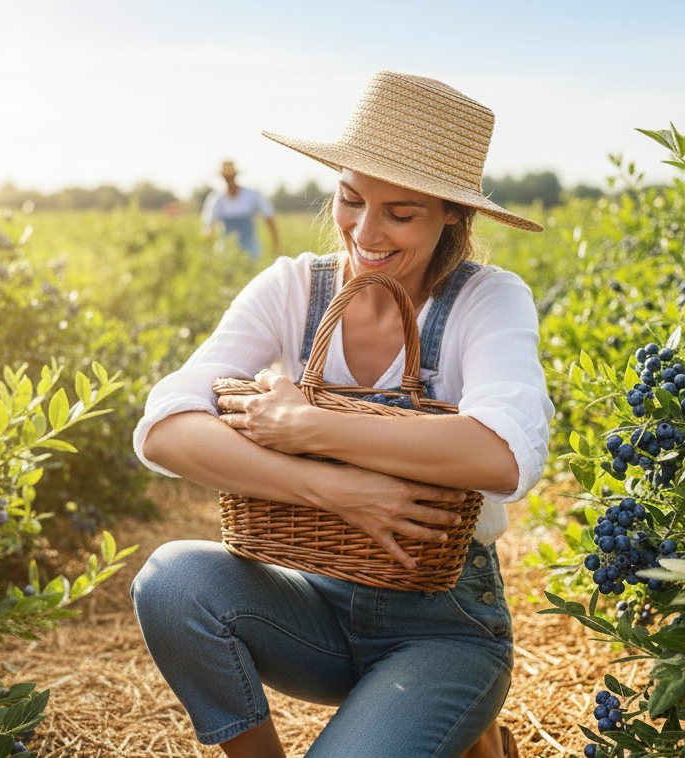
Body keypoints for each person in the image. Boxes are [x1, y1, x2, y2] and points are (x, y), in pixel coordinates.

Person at [131, 70, 554, 758]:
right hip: (314, 610)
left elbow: (504, 455)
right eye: (351, 199)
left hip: (441, 627)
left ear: (453, 212)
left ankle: (454, 712)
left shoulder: (486, 299)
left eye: (401, 212)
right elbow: (164, 428)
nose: (364, 230)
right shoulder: (295, 288)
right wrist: (332, 489)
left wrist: (309, 427)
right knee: (173, 581)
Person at [202, 161, 281, 260]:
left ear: (235, 176)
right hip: (226, 251)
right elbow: (209, 226)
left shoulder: (251, 194)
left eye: (230, 176)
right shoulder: (216, 199)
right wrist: (207, 251)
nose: (228, 180)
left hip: (251, 250)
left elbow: (269, 218)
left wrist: (276, 246)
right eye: (226, 177)